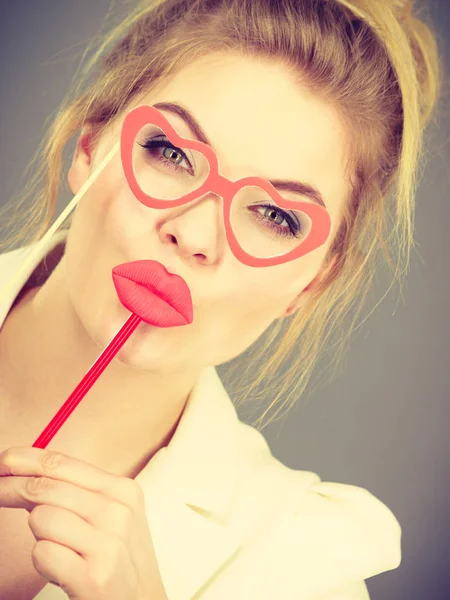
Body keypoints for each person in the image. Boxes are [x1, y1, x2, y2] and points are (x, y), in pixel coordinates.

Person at [0, 0, 442, 598]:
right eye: (172, 153)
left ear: (311, 282)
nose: (196, 235)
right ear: (89, 147)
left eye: (274, 215)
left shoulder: (302, 569)